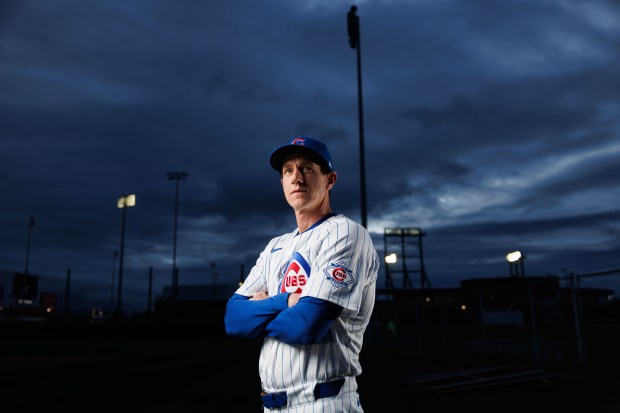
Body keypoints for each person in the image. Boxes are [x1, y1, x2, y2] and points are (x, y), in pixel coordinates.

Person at [224, 136, 379, 412]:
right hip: (271, 406)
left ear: (330, 179)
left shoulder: (345, 233)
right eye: (288, 171)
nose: (297, 178)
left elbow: (307, 325)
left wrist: (259, 316)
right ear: (282, 183)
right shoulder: (276, 246)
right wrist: (285, 302)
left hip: (325, 401)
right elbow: (233, 320)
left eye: (307, 168)